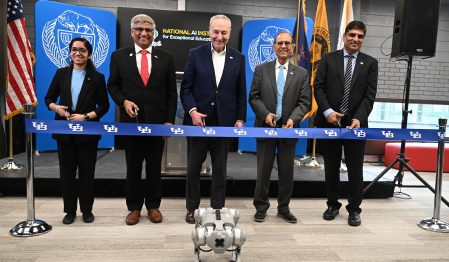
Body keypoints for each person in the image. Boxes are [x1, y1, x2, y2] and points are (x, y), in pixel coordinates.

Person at [107, 14, 177, 225]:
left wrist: (169, 122)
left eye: (148, 30)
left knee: (155, 167)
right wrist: (123, 102)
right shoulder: (119, 56)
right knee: (133, 167)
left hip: (158, 123)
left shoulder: (166, 57)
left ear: (154, 33)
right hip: (131, 123)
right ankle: (134, 207)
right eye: (139, 29)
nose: (144, 33)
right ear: (132, 32)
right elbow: (113, 86)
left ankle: (154, 206)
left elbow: (171, 93)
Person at [180, 14, 247, 224]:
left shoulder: (238, 58)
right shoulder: (195, 54)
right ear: (209, 32)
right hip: (198, 122)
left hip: (224, 124)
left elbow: (240, 92)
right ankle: (192, 208)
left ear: (230, 33)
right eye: (216, 32)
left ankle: (218, 208)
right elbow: (186, 89)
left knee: (220, 169)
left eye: (224, 32)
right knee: (193, 168)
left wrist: (240, 119)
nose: (219, 36)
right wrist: (192, 111)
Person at [314, 21, 378, 226]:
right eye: (352, 35)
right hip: (329, 122)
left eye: (360, 36)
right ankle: (332, 205)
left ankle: (354, 209)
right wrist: (328, 112)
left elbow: (369, 96)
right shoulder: (327, 59)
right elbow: (319, 88)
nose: (355, 39)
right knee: (331, 167)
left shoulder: (370, 63)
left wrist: (359, 118)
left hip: (356, 126)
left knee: (355, 168)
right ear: (344, 36)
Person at [45, 37, 110, 224]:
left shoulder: (97, 78)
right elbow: (48, 98)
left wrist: (86, 116)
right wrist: (56, 108)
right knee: (66, 173)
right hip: (64, 132)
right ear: (70, 52)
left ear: (89, 54)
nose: (77, 53)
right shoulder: (61, 74)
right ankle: (70, 211)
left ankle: (87, 210)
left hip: (88, 132)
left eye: (82, 50)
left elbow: (104, 106)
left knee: (87, 173)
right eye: (74, 49)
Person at [249, 32, 311, 223]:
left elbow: (304, 102)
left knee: (287, 172)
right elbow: (254, 97)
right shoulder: (261, 69)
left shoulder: (301, 73)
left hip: (288, 129)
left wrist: (293, 119)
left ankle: (283, 207)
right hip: (265, 127)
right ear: (274, 47)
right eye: (280, 43)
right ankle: (261, 207)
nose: (283, 46)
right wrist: (265, 115)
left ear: (293, 47)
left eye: (287, 43)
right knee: (263, 171)